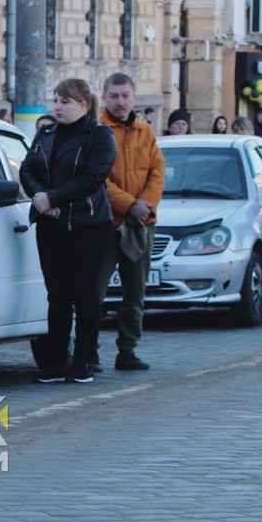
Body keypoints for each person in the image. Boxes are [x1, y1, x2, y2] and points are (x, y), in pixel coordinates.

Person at [20, 78, 117, 384]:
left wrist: (55, 197)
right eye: (56, 101)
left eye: (65, 102)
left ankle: (85, 360)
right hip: (51, 224)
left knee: (85, 294)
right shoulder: (47, 133)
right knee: (57, 295)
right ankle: (54, 363)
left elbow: (94, 176)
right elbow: (27, 169)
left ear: (83, 105)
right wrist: (41, 198)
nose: (57, 107)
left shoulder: (99, 135)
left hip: (89, 225)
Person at [94, 73, 165, 372]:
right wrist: (129, 205)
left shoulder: (145, 132)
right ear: (104, 97)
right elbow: (98, 179)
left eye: (125, 96)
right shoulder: (97, 132)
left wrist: (143, 206)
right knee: (94, 292)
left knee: (135, 291)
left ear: (134, 97)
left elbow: (157, 173)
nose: (120, 102)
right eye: (114, 96)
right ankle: (89, 351)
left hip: (140, 224)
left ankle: (128, 349)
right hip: (105, 223)